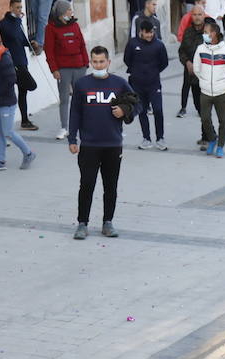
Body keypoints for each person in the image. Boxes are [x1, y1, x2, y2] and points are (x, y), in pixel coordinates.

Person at [68, 47, 134, 239]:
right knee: (86, 184)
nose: (98, 65)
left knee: (110, 186)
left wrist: (124, 110)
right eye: (95, 62)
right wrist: (72, 139)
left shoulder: (119, 83)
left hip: (113, 145)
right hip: (89, 145)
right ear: (90, 62)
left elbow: (135, 103)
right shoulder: (82, 84)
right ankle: (82, 223)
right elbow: (75, 113)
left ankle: (108, 222)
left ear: (108, 62)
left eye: (101, 62)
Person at [0, 29, 36, 171]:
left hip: (5, 103)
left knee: (8, 132)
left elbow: (11, 80)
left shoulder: (4, 58)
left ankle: (28, 154)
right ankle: (0, 161)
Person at [44, 1, 89, 140]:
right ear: (62, 12)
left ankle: (83, 125)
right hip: (63, 69)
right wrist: (54, 69)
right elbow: (49, 50)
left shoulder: (75, 25)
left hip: (79, 66)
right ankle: (64, 127)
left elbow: (82, 45)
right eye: (69, 9)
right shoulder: (50, 28)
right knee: (64, 99)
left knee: (80, 98)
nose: (71, 12)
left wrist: (86, 63)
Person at [193, 18, 225, 156]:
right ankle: (212, 139)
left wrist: (223, 83)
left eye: (206, 32)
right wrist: (204, 80)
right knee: (205, 118)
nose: (204, 35)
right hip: (205, 92)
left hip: (222, 92)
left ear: (214, 34)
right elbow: (196, 68)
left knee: (223, 121)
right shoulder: (200, 49)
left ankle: (220, 147)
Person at [125, 18, 170, 149]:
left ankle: (160, 138)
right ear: (141, 32)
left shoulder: (159, 45)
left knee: (158, 110)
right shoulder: (133, 44)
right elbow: (127, 59)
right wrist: (137, 71)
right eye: (147, 33)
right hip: (137, 84)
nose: (150, 35)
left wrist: (153, 71)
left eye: (151, 32)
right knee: (142, 111)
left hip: (154, 84)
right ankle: (146, 138)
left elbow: (164, 62)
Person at [0, 0, 40, 130]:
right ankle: (6, 122)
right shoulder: (4, 23)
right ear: (11, 8)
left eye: (21, 7)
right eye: (17, 7)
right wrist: (17, 20)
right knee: (30, 85)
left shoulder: (18, 23)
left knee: (23, 91)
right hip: (12, 62)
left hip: (22, 60)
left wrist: (31, 43)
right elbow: (12, 35)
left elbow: (21, 39)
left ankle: (25, 120)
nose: (19, 10)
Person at [178, 6, 208, 137]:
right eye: (194, 14)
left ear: (203, 15)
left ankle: (207, 135)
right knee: (198, 105)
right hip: (191, 75)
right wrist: (187, 62)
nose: (197, 17)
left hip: (206, 75)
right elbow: (182, 51)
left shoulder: (209, 32)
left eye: (199, 14)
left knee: (205, 106)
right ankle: (209, 133)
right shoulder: (188, 31)